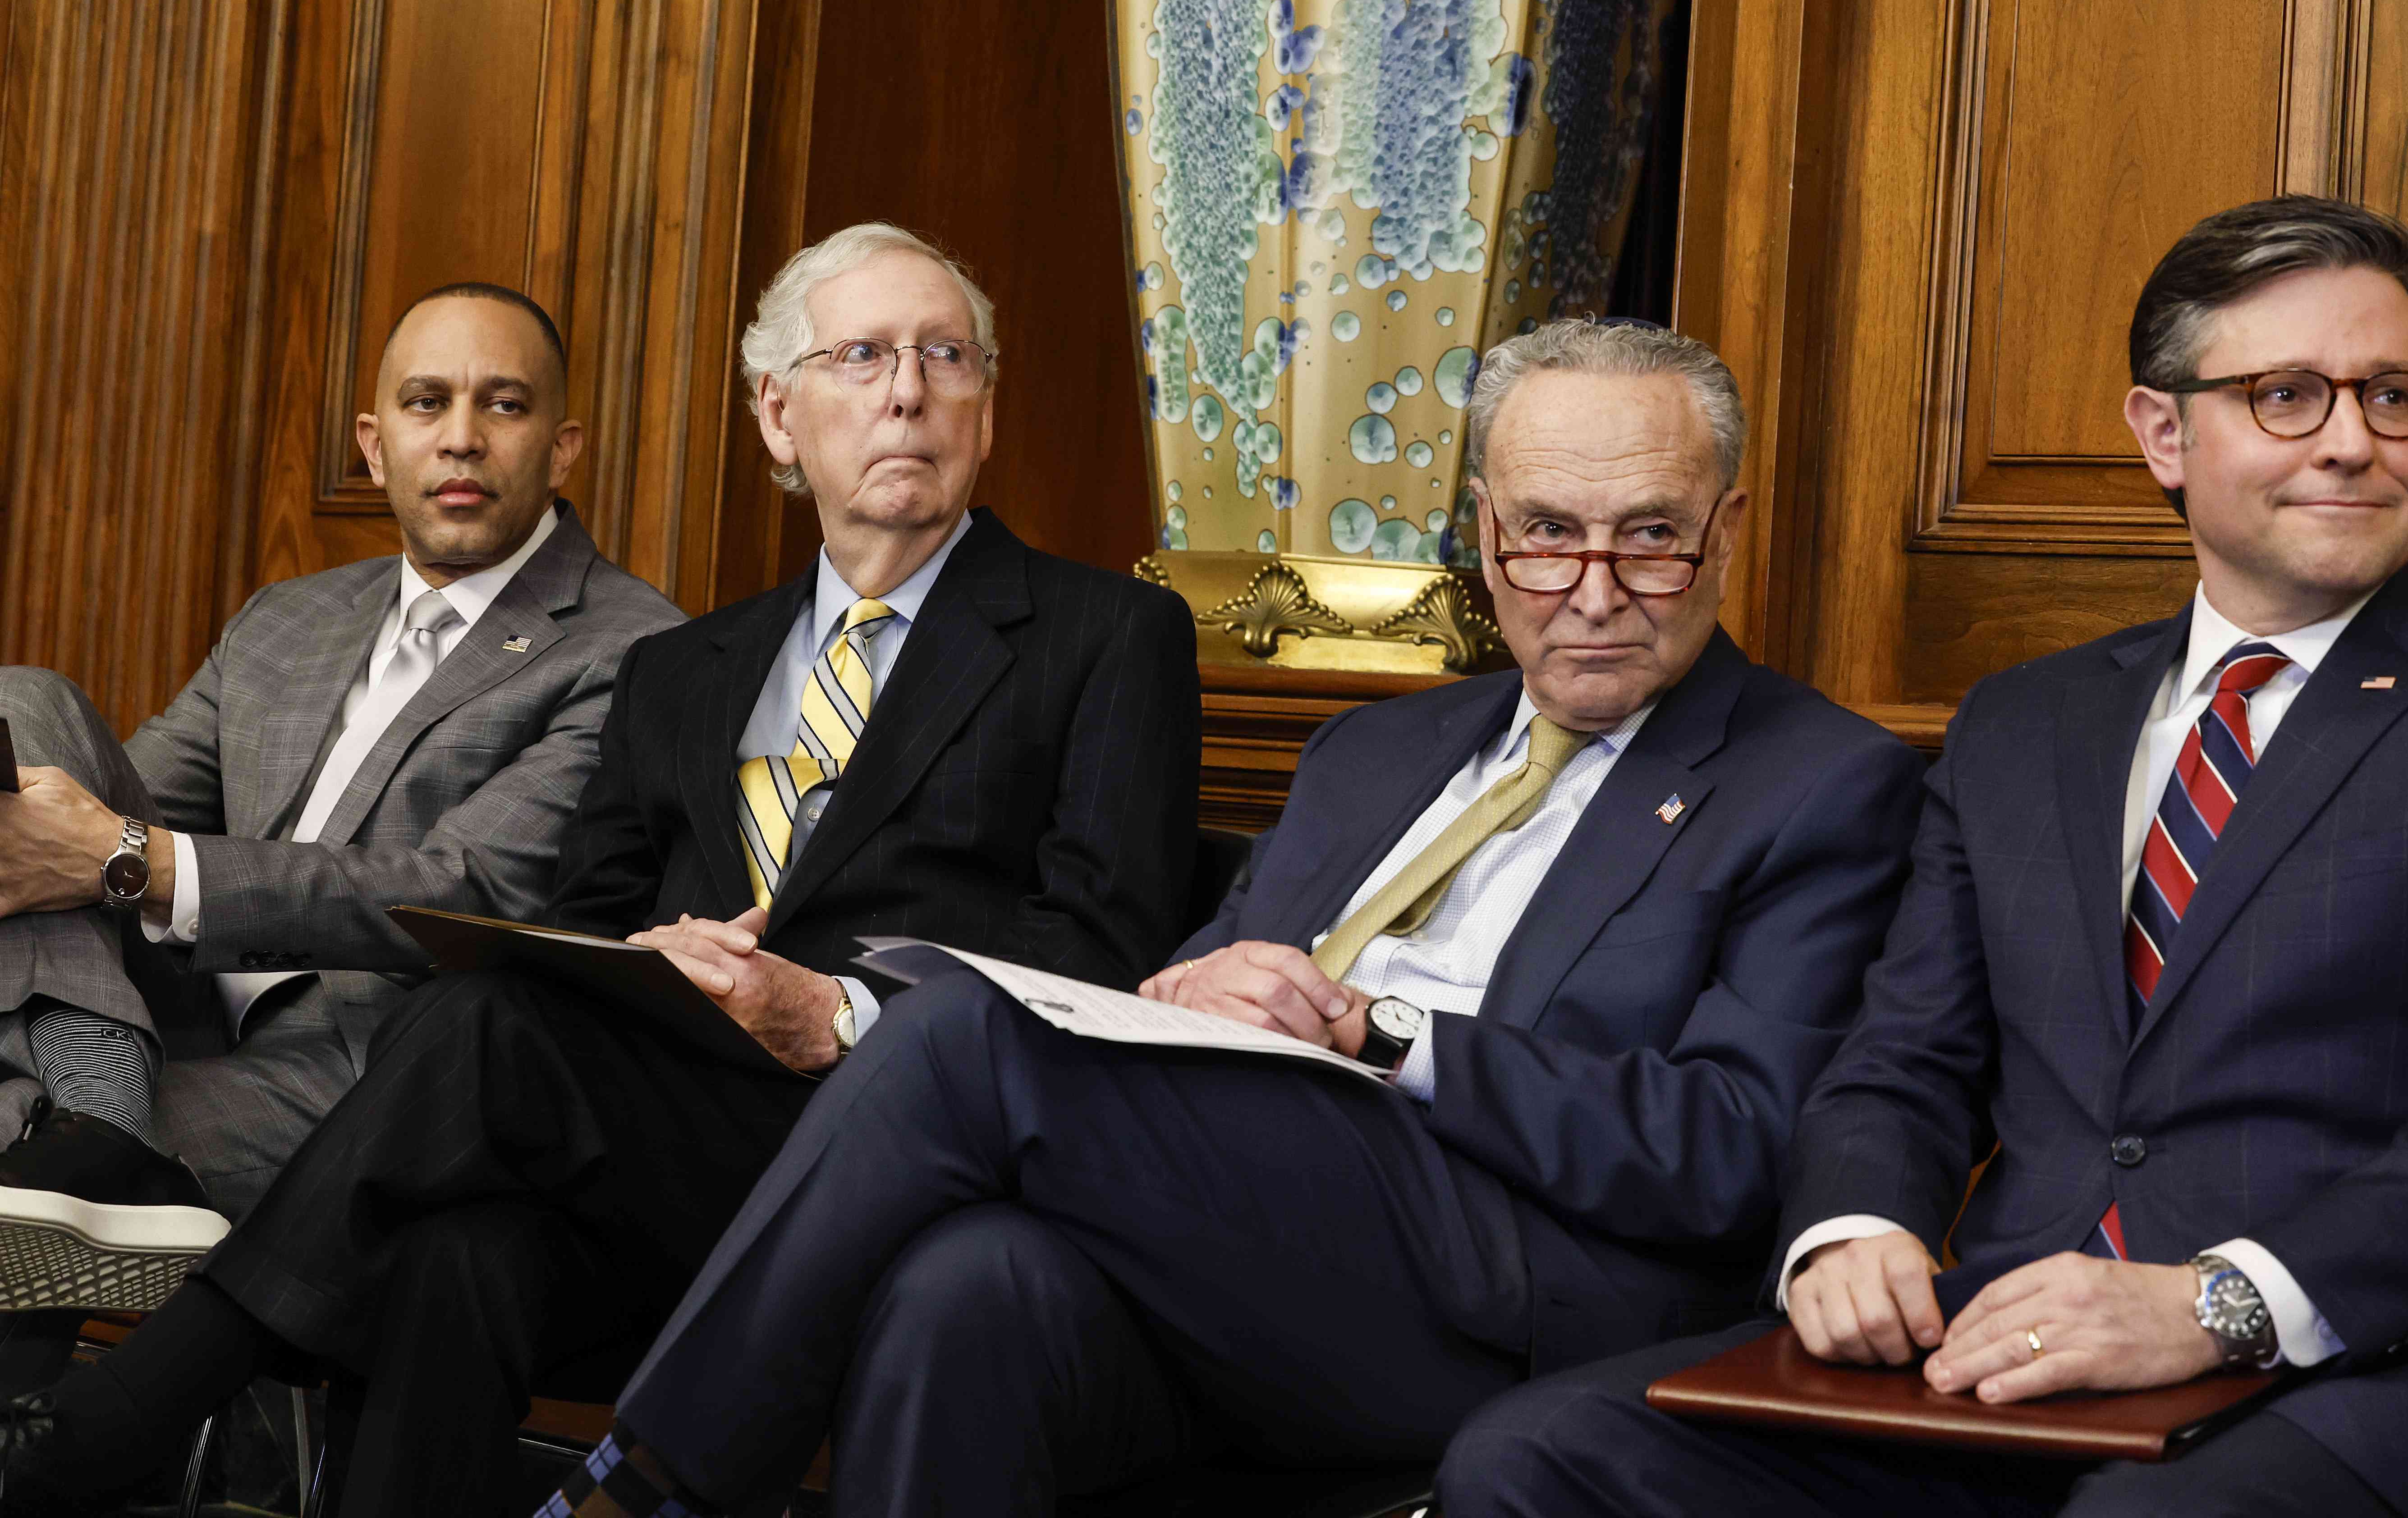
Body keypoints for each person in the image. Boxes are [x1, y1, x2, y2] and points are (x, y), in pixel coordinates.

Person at [518, 317, 1925, 1518]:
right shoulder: (1375, 756)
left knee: (961, 1042)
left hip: (1519, 1291)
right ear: (1487, 532)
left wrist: (1383, 1031)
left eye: (1653, 544)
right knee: (972, 1286)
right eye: (1549, 538)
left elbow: (1733, 1147)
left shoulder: (1822, 785)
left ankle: (645, 1484)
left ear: (1726, 530)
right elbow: (1200, 981)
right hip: (1258, 1243)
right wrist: (1182, 997)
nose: (1596, 594)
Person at [1436, 196, 2408, 1518]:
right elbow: (1906, 1059)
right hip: (2013, 1352)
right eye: (2288, 397)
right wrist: (1851, 1235)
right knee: (1535, 1461)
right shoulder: (2027, 722)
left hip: (2372, 1368)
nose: (2352, 444)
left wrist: (2218, 1304)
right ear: (2163, 434)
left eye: (2393, 396)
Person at [0, 222, 1202, 1518]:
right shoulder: (693, 666)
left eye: (943, 356)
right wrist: (646, 963)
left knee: (478, 1023)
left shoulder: (1107, 635)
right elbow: (576, 925)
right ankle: (108, 1314)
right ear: (779, 418)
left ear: (983, 402)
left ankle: (110, 1422)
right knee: (451, 1255)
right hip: (663, 1141)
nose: (906, 388)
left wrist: (840, 1011)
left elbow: (1101, 952)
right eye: (861, 356)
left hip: (895, 1136)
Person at [0, 282, 679, 1273]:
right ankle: (97, 1106)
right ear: (373, 443)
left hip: (361, 1063)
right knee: (26, 703)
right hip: (156, 1013)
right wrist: (103, 852)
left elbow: (471, 890)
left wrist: (131, 862)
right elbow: (71, 826)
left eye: (503, 403)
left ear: (563, 444)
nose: (460, 438)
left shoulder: (635, 646)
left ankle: (78, 1193)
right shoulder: (289, 617)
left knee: (12, 1130)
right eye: (425, 401)